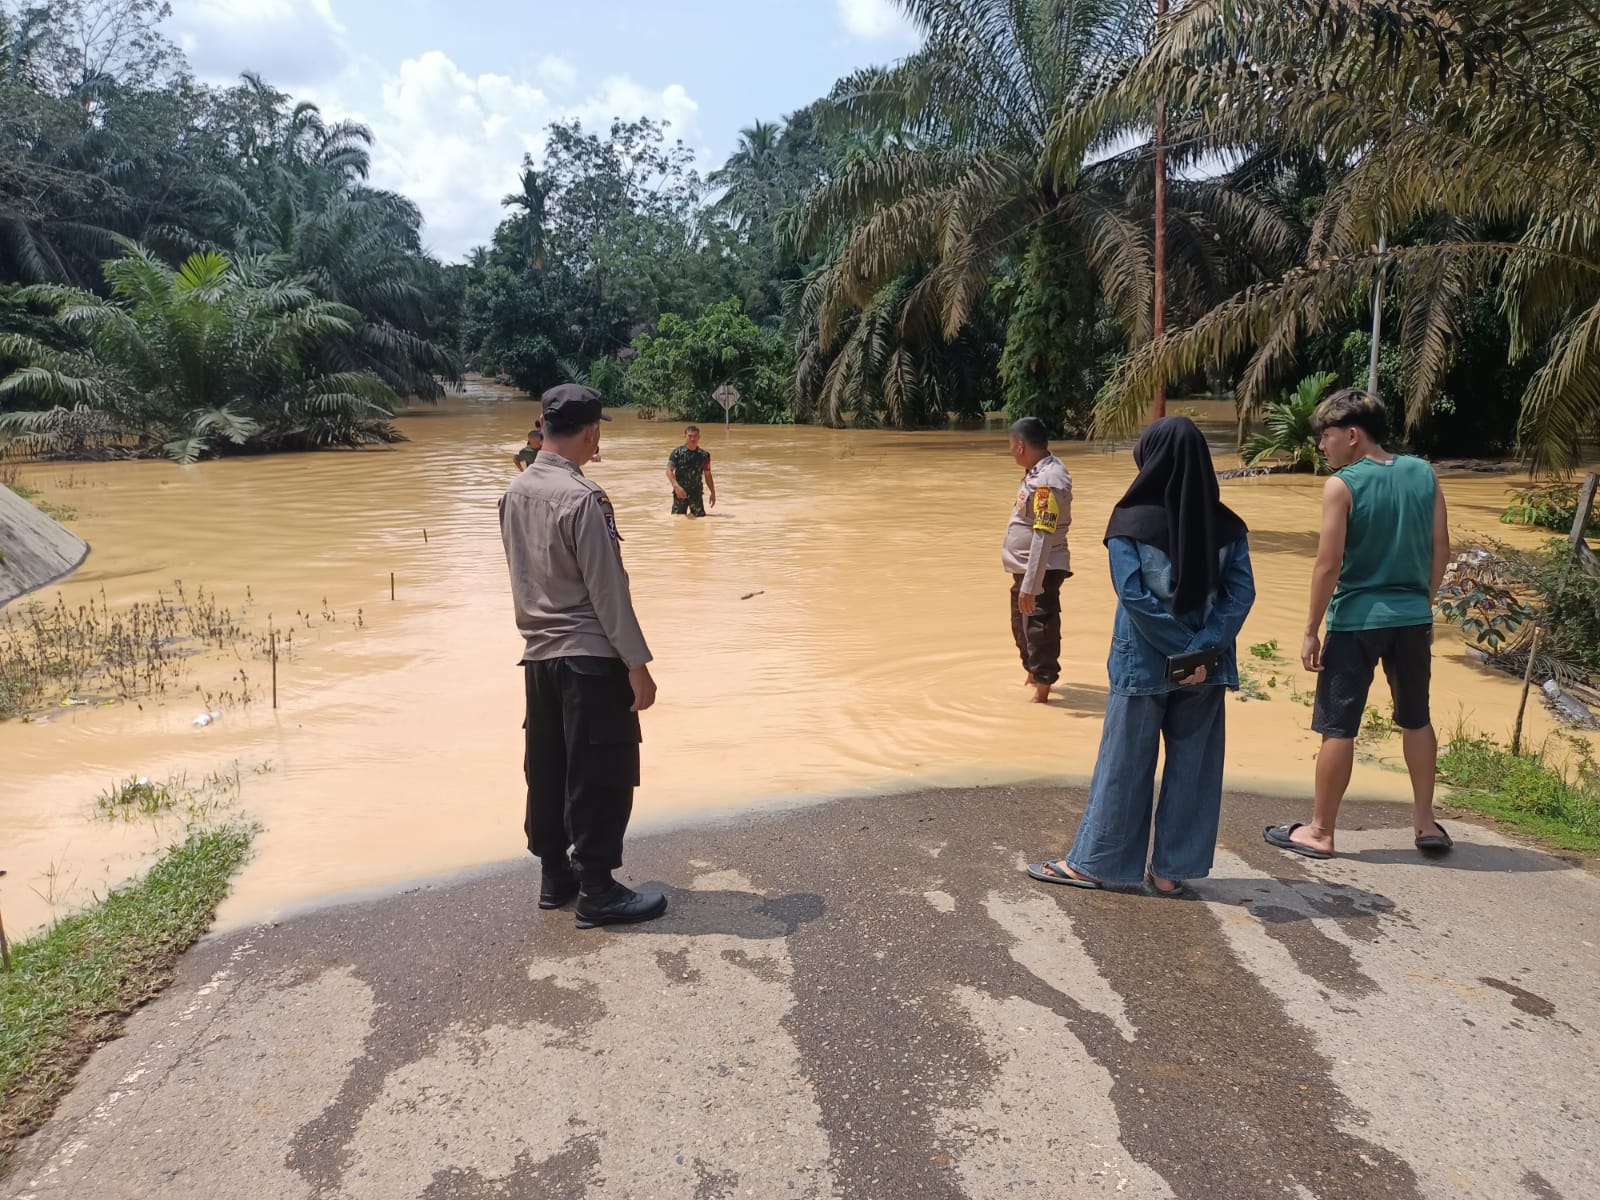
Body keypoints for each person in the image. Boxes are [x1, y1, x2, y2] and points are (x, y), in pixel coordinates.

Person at [1027, 416, 1255, 896]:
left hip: (1144, 663)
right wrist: (1201, 651)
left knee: (1125, 763)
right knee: (1194, 767)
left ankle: (1095, 864)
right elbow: (1240, 595)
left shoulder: (1129, 522)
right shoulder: (1229, 527)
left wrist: (1179, 651)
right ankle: (1171, 873)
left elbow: (1133, 595)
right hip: (1207, 668)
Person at [499, 383, 668, 928]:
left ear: (542, 425)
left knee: (549, 767)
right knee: (601, 771)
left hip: (537, 658)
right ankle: (597, 889)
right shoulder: (584, 498)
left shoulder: (513, 493)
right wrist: (637, 665)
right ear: (593, 433)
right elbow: (608, 590)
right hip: (589, 658)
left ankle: (556, 877)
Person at [1265, 390, 1453, 860]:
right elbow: (1441, 550)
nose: (1321, 446)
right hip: (1412, 619)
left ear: (1352, 435)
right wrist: (1422, 604)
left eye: (1326, 436)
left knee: (1339, 727)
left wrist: (1311, 629)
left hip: (1355, 622)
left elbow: (1327, 564)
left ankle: (1321, 831)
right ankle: (1425, 823)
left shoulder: (1342, 485)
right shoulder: (1423, 473)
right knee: (1417, 718)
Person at [1003, 417, 1074, 703]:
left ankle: (1043, 690)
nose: (1011, 451)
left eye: (1011, 445)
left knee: (1039, 626)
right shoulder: (1037, 472)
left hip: (1042, 569)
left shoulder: (1048, 480)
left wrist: (1032, 584)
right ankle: (1033, 673)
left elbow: (1044, 534)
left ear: (1020, 446)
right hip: (1026, 569)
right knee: (1021, 623)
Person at [666, 425, 716, 517]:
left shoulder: (704, 455)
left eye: (695, 436)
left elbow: (708, 474)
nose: (692, 439)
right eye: (690, 436)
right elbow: (669, 471)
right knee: (678, 520)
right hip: (680, 493)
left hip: (696, 493)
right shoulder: (677, 453)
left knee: (700, 521)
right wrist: (676, 486)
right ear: (685, 436)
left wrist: (712, 492)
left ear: (699, 437)